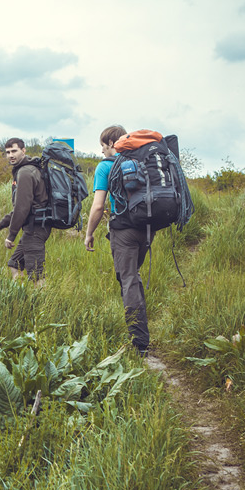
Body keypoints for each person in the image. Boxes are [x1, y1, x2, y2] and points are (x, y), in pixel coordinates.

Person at [83, 125, 150, 356]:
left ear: (111, 143)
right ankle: (140, 329)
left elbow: (98, 206)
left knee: (128, 279)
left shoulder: (106, 167)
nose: (101, 151)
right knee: (133, 275)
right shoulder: (142, 161)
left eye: (102, 145)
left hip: (124, 230)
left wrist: (89, 233)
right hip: (147, 229)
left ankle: (139, 343)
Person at [0, 138, 51, 282]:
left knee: (36, 274)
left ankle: (43, 302)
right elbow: (21, 207)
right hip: (34, 227)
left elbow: (22, 207)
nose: (10, 155)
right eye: (7, 152)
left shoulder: (25, 172)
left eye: (14, 151)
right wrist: (1, 224)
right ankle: (20, 299)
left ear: (23, 151)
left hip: (35, 229)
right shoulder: (27, 169)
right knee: (15, 264)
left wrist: (11, 235)